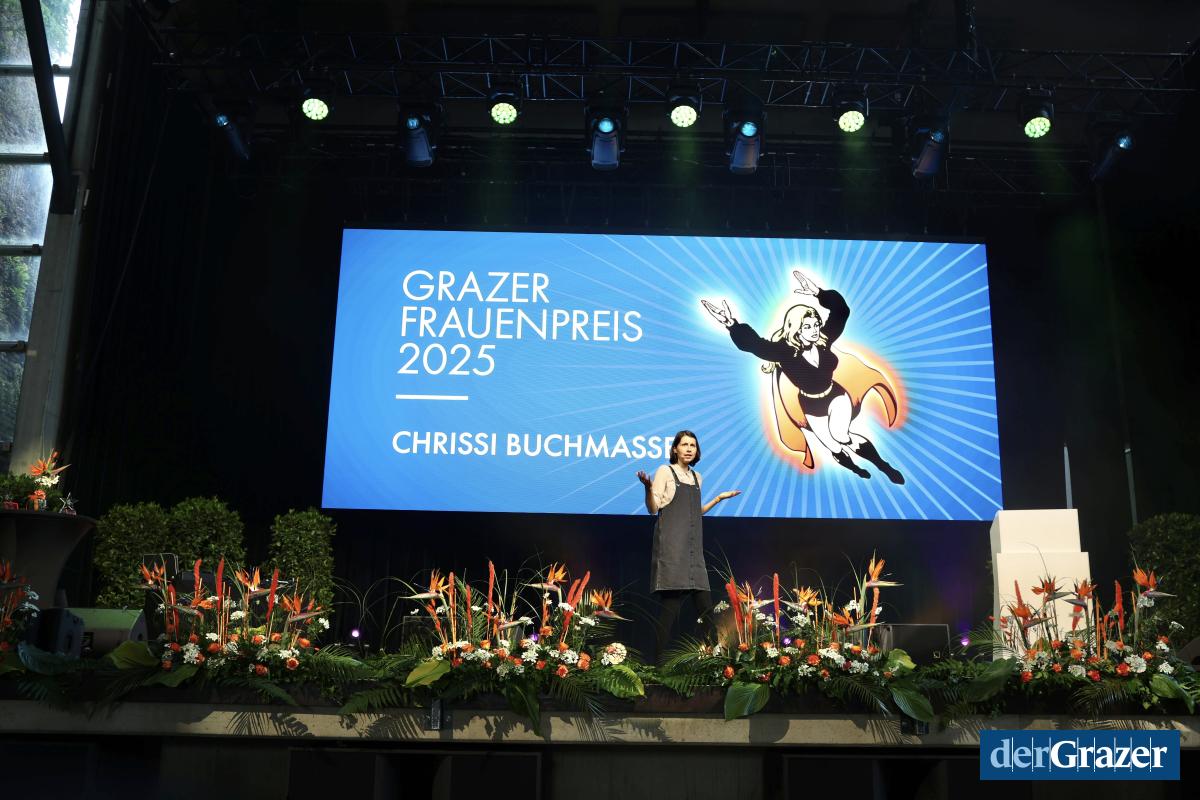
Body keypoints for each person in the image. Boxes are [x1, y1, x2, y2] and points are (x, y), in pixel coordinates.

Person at [702, 270, 904, 483]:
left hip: (836, 395)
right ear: (796, 329)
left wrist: (818, 293)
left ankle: (884, 466)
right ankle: (856, 469)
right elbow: (754, 345)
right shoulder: (783, 352)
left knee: (840, 435)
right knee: (832, 445)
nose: (815, 330)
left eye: (816, 324)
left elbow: (841, 311)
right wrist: (731, 323)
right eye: (808, 326)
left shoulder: (824, 339)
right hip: (810, 404)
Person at [636, 430, 741, 661]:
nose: (689, 448)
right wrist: (647, 488)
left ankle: (718, 663)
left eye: (693, 445)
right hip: (673, 551)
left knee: (706, 611)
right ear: (675, 449)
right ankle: (656, 666)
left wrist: (718, 499)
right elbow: (653, 509)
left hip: (693, 554)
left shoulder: (696, 477)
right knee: (669, 613)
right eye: (684, 444)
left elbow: (695, 512)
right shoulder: (665, 471)